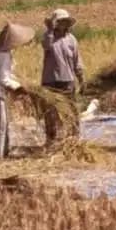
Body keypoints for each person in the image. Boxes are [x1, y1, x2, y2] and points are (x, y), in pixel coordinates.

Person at [0, 23, 31, 160]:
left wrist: (19, 83)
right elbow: (4, 79)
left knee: (2, 123)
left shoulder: (4, 53)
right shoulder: (3, 55)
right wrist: (19, 88)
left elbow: (7, 75)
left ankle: (2, 151)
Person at [39, 10, 84, 141]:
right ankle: (51, 139)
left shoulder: (71, 40)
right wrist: (49, 30)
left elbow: (77, 60)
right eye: (59, 21)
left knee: (71, 111)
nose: (62, 24)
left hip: (68, 81)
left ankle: (73, 139)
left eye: (65, 21)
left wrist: (81, 79)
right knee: (51, 112)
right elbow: (46, 45)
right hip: (50, 81)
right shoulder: (49, 37)